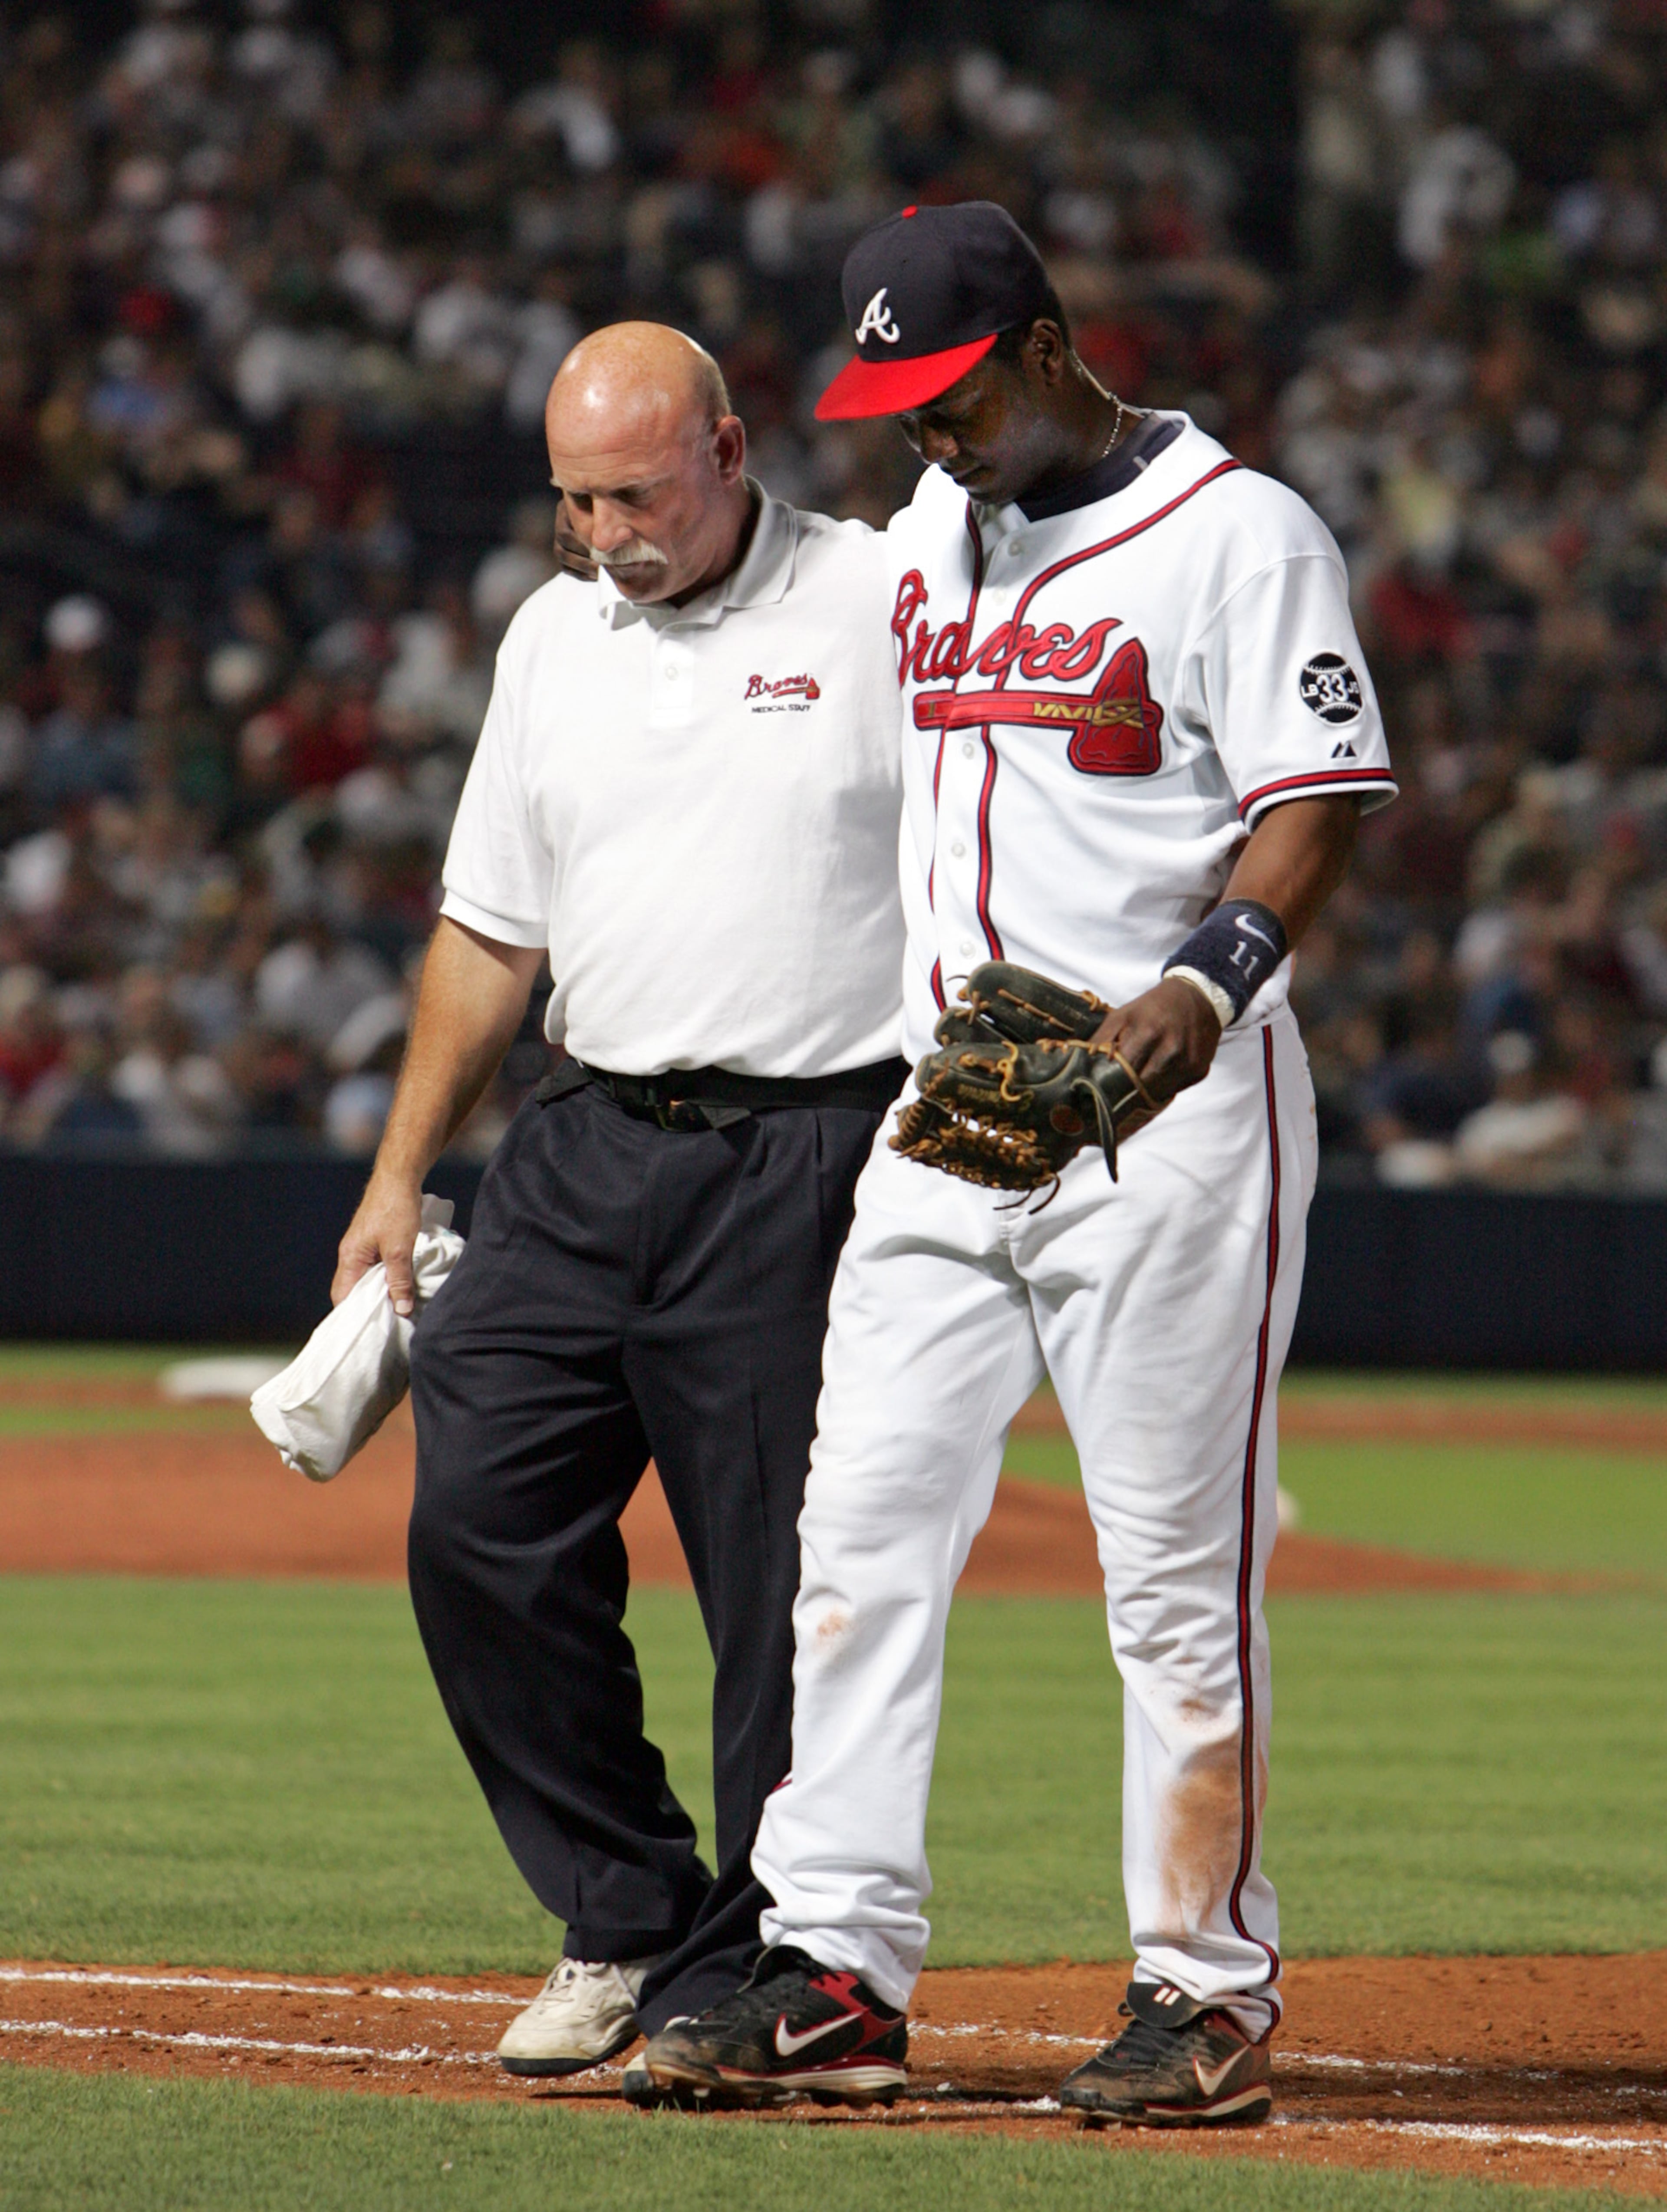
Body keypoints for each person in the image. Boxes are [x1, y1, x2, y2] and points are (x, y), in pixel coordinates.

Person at [639, 203, 1396, 2123]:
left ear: (1049, 349)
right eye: (897, 405)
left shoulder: (1239, 531)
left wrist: (1205, 986)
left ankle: (1205, 1983)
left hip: (1173, 1118)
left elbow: (1322, 802)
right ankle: (833, 1963)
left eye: (953, 394)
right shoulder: (927, 537)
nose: (928, 434)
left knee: (1173, 1575)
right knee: (860, 1543)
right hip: (952, 1110)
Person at [332, 322, 906, 2084]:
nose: (605, 535)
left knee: (777, 1588)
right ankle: (632, 1906)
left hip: (804, 1148)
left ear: (731, 449)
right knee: (477, 1518)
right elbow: (493, 923)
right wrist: (398, 1165)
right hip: (580, 1144)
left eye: (636, 495)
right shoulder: (550, 631)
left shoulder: (884, 602)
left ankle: (788, 1965)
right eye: (577, 500)